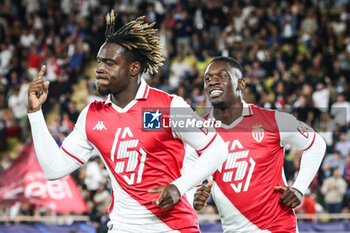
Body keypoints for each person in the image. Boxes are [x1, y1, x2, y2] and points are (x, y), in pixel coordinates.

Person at [27, 11, 228, 233]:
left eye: (109, 63)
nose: (99, 69)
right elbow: (53, 169)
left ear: (134, 69)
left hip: (172, 228)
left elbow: (217, 149)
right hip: (123, 227)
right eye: (99, 62)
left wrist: (178, 188)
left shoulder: (169, 106)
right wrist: (35, 113)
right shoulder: (91, 115)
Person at [191, 57, 326, 232]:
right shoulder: (198, 131)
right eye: (207, 79)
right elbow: (186, 175)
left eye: (222, 76)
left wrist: (299, 188)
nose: (213, 82)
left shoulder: (273, 120)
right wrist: (194, 196)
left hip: (277, 227)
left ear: (240, 84)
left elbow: (316, 144)